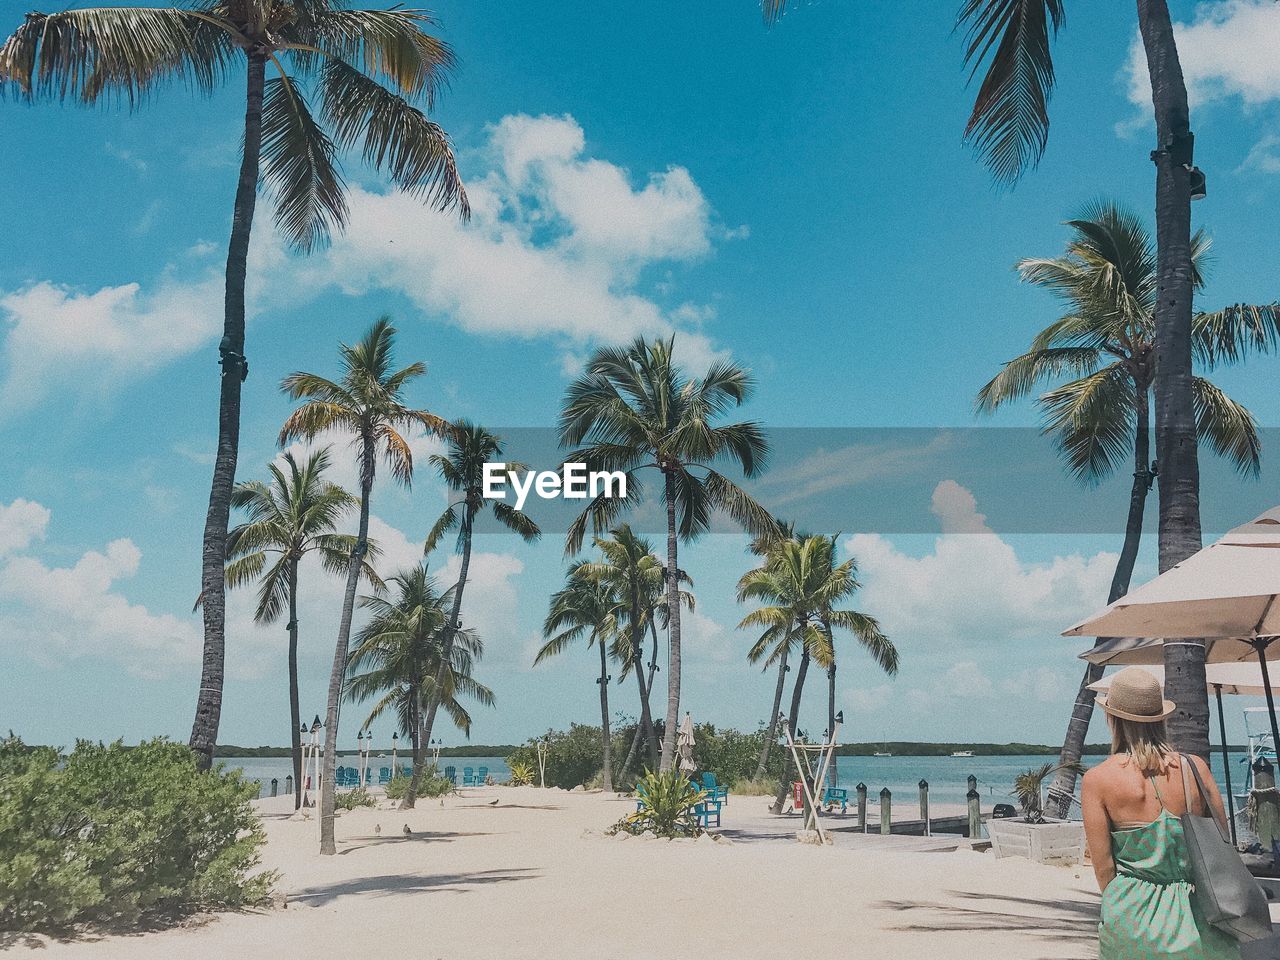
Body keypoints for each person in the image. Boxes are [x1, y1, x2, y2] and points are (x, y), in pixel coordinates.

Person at [1082, 666, 1238, 960]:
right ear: (1160, 718)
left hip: (1132, 916)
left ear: (1111, 717)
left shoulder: (1098, 780)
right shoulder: (1195, 769)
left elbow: (1104, 869)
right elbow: (1222, 844)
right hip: (1197, 914)